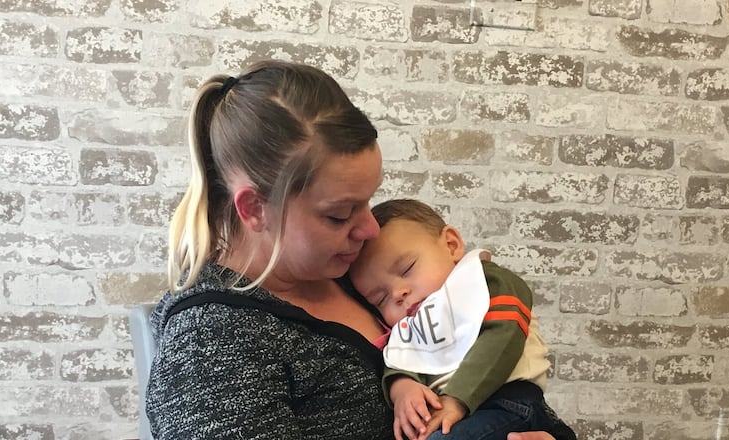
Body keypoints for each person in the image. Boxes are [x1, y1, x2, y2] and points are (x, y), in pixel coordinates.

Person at [145, 59, 561, 440]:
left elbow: (509, 393)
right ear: (255, 208)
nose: (370, 228)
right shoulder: (211, 347)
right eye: (340, 215)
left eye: (368, 200)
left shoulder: (359, 271)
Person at [348, 199, 576, 440]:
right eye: (380, 298)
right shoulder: (413, 321)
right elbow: (402, 355)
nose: (398, 293)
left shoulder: (486, 282)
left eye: (406, 269)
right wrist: (402, 387)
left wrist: (456, 400)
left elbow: (502, 338)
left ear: (451, 244)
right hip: (453, 416)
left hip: (509, 404)